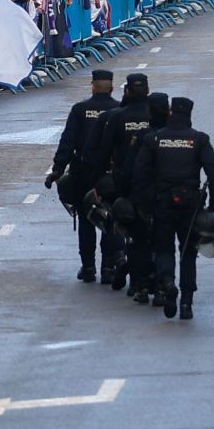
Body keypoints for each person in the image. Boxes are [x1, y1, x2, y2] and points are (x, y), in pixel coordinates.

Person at [132, 95, 214, 320]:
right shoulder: (199, 140)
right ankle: (186, 303)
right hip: (191, 204)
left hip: (162, 203)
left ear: (171, 113)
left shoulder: (154, 139)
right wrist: (213, 207)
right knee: (188, 252)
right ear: (189, 115)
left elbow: (139, 174)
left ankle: (167, 282)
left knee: (164, 248)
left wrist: (144, 203)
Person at [83, 72, 155, 298]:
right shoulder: (155, 115)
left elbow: (102, 153)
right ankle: (154, 280)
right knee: (153, 234)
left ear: (127, 91)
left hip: (124, 182)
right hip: (154, 184)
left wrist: (95, 180)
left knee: (129, 231)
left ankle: (134, 280)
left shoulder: (116, 117)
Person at [45, 69, 117, 283]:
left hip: (82, 174)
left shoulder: (79, 110)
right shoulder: (118, 109)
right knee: (111, 220)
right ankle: (108, 267)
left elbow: (67, 143)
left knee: (86, 221)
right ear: (111, 87)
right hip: (110, 175)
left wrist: (57, 170)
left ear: (93, 86)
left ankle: (88, 267)